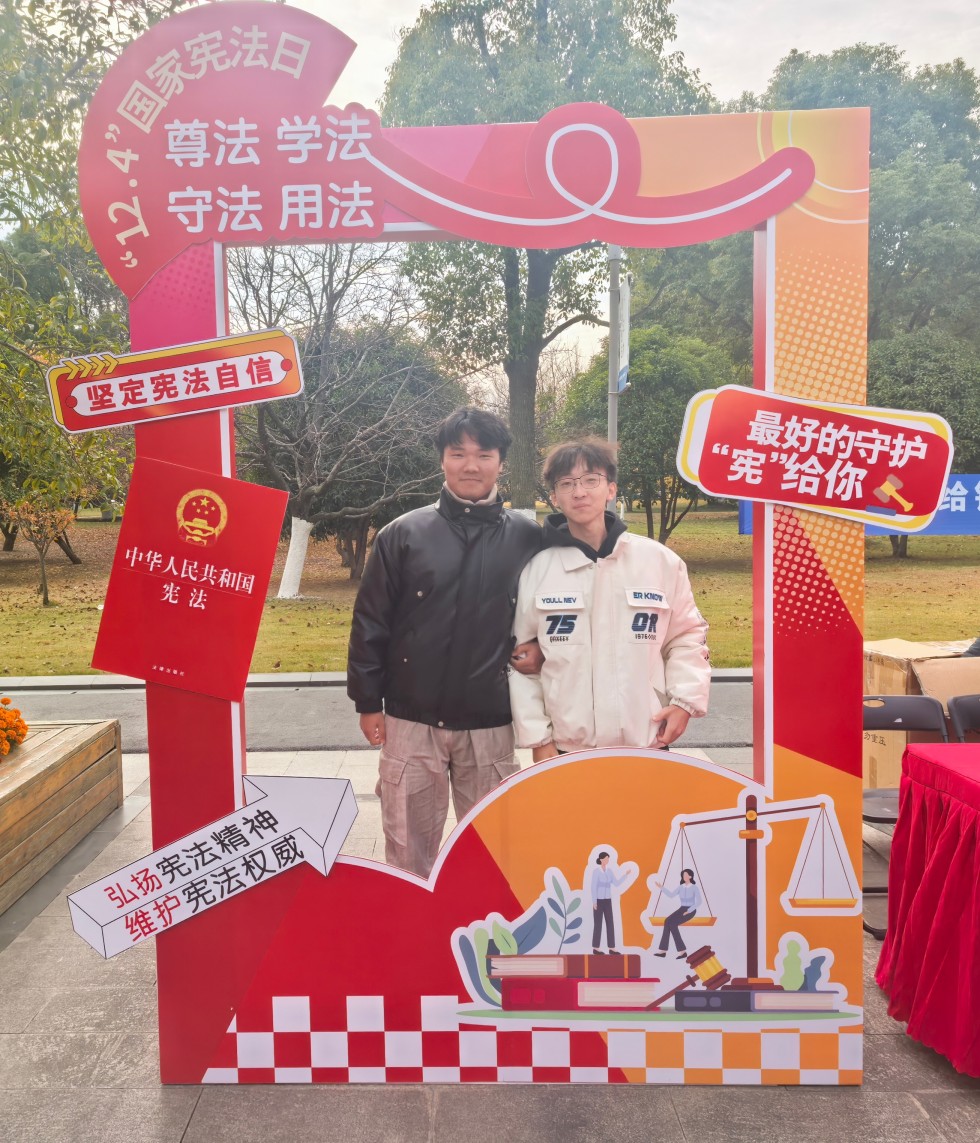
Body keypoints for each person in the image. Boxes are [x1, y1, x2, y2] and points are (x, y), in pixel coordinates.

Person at [347, 407, 543, 876]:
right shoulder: (402, 534)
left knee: (494, 855)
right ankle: (410, 924)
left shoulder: (529, 537)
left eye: (484, 454)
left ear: (501, 462)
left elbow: (556, 611)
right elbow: (371, 622)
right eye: (458, 454)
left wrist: (543, 648)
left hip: (491, 721)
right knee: (407, 853)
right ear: (442, 460)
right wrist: (368, 702)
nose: (471, 465)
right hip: (411, 720)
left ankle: (483, 925)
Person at [508, 436, 710, 760]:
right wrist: (538, 739)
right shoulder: (538, 571)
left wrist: (684, 702)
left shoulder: (659, 562)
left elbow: (686, 638)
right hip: (565, 750)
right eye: (567, 483)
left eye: (591, 480)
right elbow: (521, 664)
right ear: (554, 497)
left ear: (611, 489)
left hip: (648, 744)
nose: (579, 492)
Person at [653, 868, 702, 959]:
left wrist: (689, 910)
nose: (684, 876)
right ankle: (663, 950)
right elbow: (671, 895)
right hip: (682, 909)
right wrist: (661, 887)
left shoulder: (694, 887)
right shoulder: (681, 887)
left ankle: (682, 951)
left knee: (673, 924)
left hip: (691, 910)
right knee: (667, 921)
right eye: (683, 875)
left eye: (686, 875)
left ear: (690, 876)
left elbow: (699, 902)